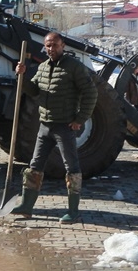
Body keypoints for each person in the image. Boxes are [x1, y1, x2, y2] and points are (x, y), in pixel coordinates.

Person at [12, 31, 97, 222]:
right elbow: (34, 91)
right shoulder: (42, 68)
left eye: (55, 45)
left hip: (65, 127)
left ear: (63, 46)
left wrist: (81, 118)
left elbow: (91, 92)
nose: (51, 49)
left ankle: (73, 211)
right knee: (34, 166)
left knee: (71, 168)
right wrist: (23, 77)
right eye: (48, 45)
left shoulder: (74, 67)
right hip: (45, 127)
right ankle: (26, 206)